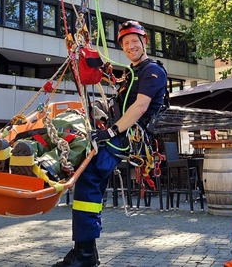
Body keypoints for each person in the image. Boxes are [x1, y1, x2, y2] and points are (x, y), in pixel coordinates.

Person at [52, 20, 168, 267]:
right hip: (117, 135)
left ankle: (85, 253)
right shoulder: (131, 72)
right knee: (88, 179)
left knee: (91, 176)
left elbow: (140, 106)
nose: (130, 46)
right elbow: (116, 85)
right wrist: (92, 63)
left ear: (144, 42)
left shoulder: (153, 71)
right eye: (126, 43)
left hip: (127, 138)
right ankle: (85, 250)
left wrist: (111, 131)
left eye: (134, 42)